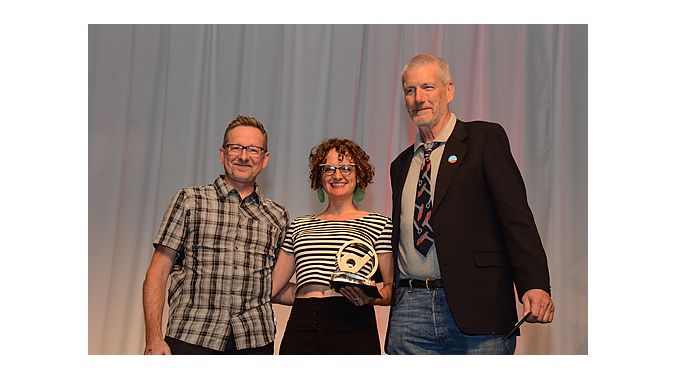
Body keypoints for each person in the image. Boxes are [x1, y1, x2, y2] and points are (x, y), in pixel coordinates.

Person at [386, 54, 555, 355]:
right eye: (410, 90)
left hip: (479, 307)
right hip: (411, 311)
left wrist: (534, 284)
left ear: (449, 90)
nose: (418, 98)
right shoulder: (400, 165)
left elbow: (515, 217)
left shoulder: (484, 139)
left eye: (427, 87)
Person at [142, 115, 288, 355]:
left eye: (253, 149)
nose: (243, 156)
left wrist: (325, 294)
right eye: (236, 147)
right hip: (192, 336)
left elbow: (273, 285)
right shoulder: (189, 200)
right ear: (222, 154)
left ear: (264, 159)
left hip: (255, 342)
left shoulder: (277, 215)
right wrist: (153, 338)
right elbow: (157, 272)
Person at [271, 138, 394, 354]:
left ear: (360, 175)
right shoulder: (299, 225)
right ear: (319, 177)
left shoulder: (379, 224)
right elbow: (273, 289)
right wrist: (307, 293)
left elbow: (394, 289)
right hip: (302, 324)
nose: (337, 175)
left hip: (353, 323)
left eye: (346, 168)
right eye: (328, 169)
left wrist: (370, 297)